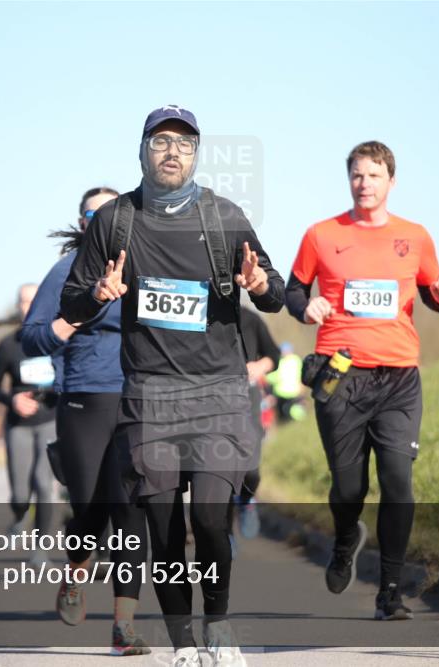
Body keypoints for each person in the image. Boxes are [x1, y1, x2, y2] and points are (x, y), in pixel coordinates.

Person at [61, 105, 284, 667]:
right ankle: (184, 643)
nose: (172, 152)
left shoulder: (224, 217)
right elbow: (72, 303)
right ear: (142, 151)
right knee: (162, 530)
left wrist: (259, 284)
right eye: (161, 141)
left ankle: (219, 623)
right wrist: (99, 294)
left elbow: (276, 293)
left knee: (208, 519)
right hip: (150, 398)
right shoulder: (115, 220)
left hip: (219, 395)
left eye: (184, 144)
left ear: (196, 155)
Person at [285, 140, 439, 621]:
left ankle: (390, 593)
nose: (365, 184)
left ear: (391, 181)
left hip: (398, 377)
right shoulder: (321, 234)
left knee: (398, 481)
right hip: (339, 375)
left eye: (374, 175)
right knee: (348, 488)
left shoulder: (415, 237)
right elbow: (293, 289)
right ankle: (346, 539)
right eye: (357, 175)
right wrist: (306, 307)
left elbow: (433, 293)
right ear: (349, 180)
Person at [23, 186, 151, 656]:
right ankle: (76, 573)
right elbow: (32, 338)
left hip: (141, 401)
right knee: (92, 511)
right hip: (85, 399)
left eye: (114, 213)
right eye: (95, 214)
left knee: (131, 510)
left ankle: (123, 627)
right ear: (83, 224)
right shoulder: (67, 271)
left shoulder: (149, 266)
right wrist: (80, 313)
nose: (105, 221)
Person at [0, 284, 58, 565]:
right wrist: (12, 400)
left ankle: (39, 550)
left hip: (49, 419)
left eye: (34, 300)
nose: (29, 306)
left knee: (44, 484)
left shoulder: (57, 339)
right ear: (17, 306)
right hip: (19, 424)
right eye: (24, 301)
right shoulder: (8, 345)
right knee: (19, 493)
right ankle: (19, 516)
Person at [234, 306, 281, 543]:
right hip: (209, 399)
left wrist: (260, 366)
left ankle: (246, 500)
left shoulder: (250, 318)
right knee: (216, 471)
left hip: (247, 398)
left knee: (250, 469)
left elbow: (274, 355)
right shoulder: (199, 312)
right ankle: (221, 537)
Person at [265, 343, 306, 422]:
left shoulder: (281, 361)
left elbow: (274, 377)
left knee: (289, 414)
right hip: (287, 393)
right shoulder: (296, 360)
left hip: (288, 393)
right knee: (288, 414)